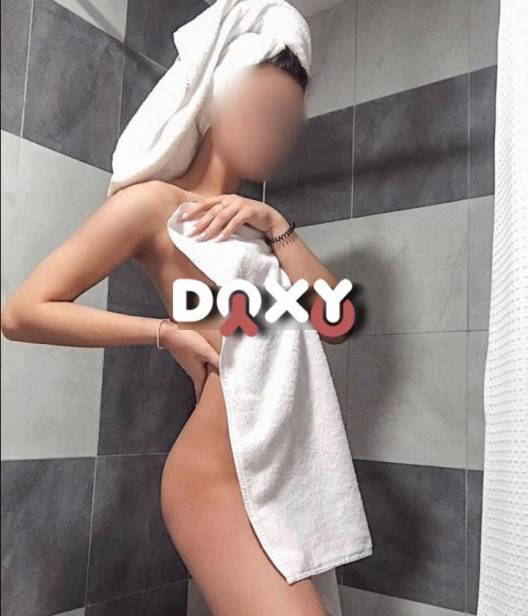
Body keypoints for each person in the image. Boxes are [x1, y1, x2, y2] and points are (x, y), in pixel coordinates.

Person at [1, 46, 347, 615]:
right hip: (215, 477)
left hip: (275, 472)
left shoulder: (258, 227)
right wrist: (165, 331)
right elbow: (23, 312)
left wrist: (275, 222)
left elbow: (334, 321)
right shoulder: (153, 206)